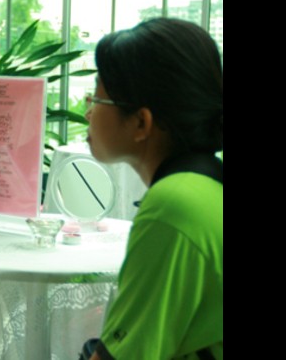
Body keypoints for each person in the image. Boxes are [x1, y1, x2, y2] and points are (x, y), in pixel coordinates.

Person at [83, 18, 223, 360]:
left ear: (141, 123)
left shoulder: (174, 206)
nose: (87, 110)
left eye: (98, 97)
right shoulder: (205, 187)